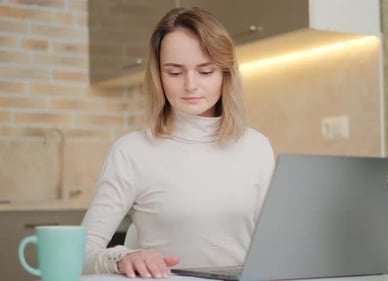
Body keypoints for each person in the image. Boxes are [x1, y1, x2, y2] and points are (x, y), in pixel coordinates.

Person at [81, 7, 275, 279]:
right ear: (158, 76)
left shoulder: (257, 147)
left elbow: (275, 244)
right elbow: (80, 253)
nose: (191, 85)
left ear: (225, 75)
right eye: (174, 73)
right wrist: (123, 257)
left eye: (206, 71)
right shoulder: (131, 151)